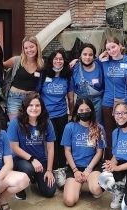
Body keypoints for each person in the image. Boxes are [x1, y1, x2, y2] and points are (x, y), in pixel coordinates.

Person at [7, 93, 57, 200]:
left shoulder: (46, 122)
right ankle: (19, 189)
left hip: (40, 160)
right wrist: (32, 159)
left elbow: (50, 148)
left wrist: (49, 170)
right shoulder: (15, 122)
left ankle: (35, 178)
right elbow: (13, 147)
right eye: (30, 105)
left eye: (37, 105)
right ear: (25, 107)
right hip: (21, 160)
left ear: (42, 107)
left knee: (50, 191)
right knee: (28, 168)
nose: (34, 108)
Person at [61, 98, 105, 207]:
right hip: (75, 166)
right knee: (69, 201)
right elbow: (67, 151)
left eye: (87, 110)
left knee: (96, 190)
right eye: (81, 110)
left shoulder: (98, 128)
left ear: (92, 111)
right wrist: (75, 171)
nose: (84, 113)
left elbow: (99, 152)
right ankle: (76, 186)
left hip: (92, 166)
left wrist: (88, 170)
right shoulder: (69, 127)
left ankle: (92, 183)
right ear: (76, 111)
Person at [40, 48, 74, 187]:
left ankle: (61, 169)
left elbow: (71, 99)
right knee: (49, 143)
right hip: (47, 116)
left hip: (61, 114)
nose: (58, 61)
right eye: (55, 59)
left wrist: (71, 114)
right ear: (51, 60)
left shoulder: (67, 76)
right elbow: (37, 94)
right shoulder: (44, 75)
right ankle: (51, 170)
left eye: (61, 59)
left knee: (61, 143)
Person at [98, 37, 127, 159]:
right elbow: (86, 61)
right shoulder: (104, 62)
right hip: (108, 102)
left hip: (126, 101)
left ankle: (126, 161)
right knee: (110, 134)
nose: (111, 50)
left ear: (120, 45)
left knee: (126, 133)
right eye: (108, 49)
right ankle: (109, 163)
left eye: (113, 47)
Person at [3, 36, 44, 120]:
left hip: (31, 99)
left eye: (31, 47)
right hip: (15, 98)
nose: (29, 50)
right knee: (15, 125)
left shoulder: (41, 64)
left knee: (29, 125)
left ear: (37, 47)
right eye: (26, 48)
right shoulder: (17, 60)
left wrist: (75, 61)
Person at [71, 43, 104, 124]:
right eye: (84, 54)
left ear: (94, 56)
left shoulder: (100, 65)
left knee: (97, 127)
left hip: (98, 104)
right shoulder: (74, 68)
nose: (87, 57)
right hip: (81, 104)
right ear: (80, 55)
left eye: (90, 55)